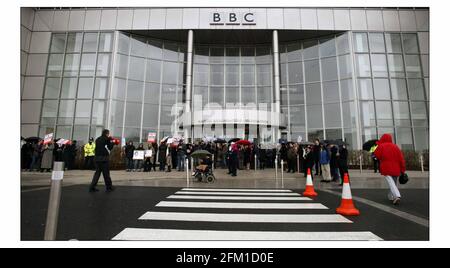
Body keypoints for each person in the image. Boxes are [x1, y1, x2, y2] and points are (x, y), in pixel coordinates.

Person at [374, 134, 406, 205]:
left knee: (391, 182)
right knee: (393, 183)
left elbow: (376, 155)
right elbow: (401, 159)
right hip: (396, 168)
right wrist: (403, 169)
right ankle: (391, 196)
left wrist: (377, 146)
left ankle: (396, 196)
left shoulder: (381, 146)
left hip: (386, 167)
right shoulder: (395, 147)